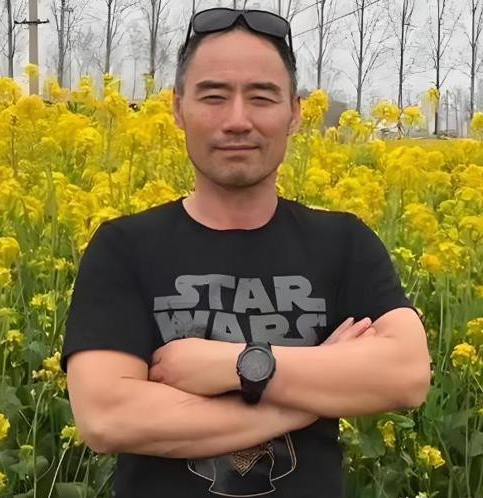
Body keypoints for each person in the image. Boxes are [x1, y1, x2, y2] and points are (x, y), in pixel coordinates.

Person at [61, 7, 431, 498]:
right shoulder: (123, 247)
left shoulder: (344, 242)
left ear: (294, 113)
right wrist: (312, 392)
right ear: (177, 109)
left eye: (262, 97)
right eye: (213, 96)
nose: (237, 121)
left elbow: (407, 375)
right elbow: (107, 418)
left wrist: (234, 365)